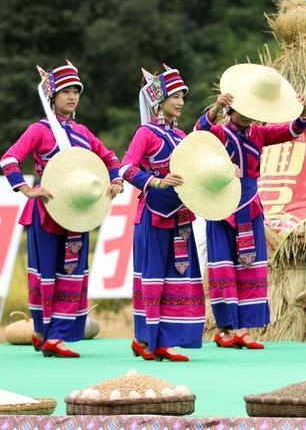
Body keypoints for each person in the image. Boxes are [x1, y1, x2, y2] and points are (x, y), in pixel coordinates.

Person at [1, 61, 123, 358]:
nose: (71, 97)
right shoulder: (39, 130)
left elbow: (110, 158)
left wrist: (116, 180)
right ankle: (45, 332)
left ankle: (56, 335)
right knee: (45, 274)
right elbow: (8, 160)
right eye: (65, 91)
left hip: (77, 213)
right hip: (47, 211)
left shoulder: (82, 133)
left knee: (71, 273)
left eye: (76, 92)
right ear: (52, 96)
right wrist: (27, 189)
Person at [196, 76, 306, 350]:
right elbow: (199, 131)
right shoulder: (220, 133)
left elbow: (293, 131)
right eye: (242, 107)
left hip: (250, 206)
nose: (248, 113)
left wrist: (304, 111)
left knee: (249, 267)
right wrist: (213, 108)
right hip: (221, 207)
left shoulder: (260, 133)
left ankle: (244, 329)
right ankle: (225, 330)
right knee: (223, 268)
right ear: (231, 109)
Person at [120, 65, 205, 362]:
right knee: (154, 278)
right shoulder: (145, 133)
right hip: (153, 216)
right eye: (174, 96)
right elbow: (126, 168)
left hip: (180, 216)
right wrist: (156, 181)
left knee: (175, 278)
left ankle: (161, 340)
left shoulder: (181, 135)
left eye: (182, 95)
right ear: (159, 100)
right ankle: (148, 341)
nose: (180, 101)